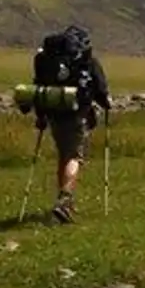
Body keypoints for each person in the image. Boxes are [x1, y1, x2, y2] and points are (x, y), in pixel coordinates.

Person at [31, 23, 109, 223]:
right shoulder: (86, 60)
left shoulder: (48, 59)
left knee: (64, 155)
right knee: (74, 157)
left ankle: (66, 201)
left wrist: (41, 115)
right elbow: (101, 90)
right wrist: (104, 104)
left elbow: (38, 84)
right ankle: (64, 200)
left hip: (53, 113)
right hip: (76, 114)